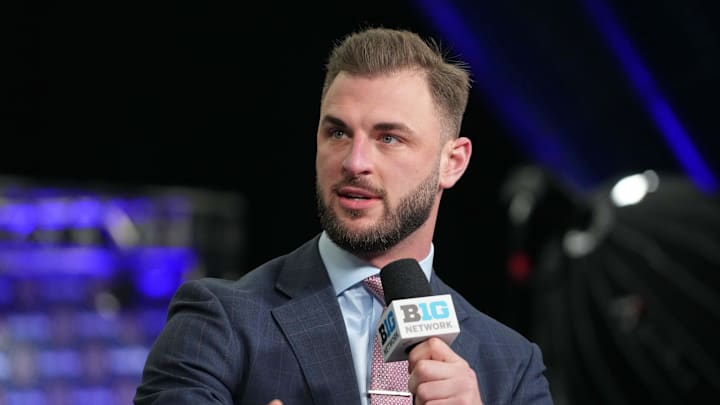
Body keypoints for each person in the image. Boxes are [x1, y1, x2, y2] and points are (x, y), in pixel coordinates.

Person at [134, 26, 554, 405]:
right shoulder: (219, 321)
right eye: (337, 132)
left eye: (388, 137)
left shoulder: (512, 365)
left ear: (453, 162)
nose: (355, 162)